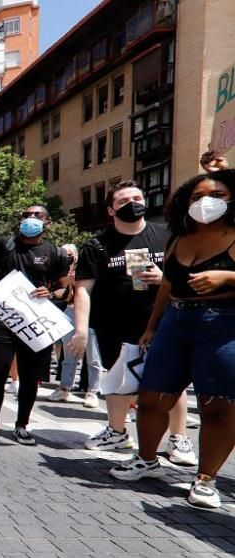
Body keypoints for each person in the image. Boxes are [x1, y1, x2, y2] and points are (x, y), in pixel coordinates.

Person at [110, 170, 235, 509]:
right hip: (174, 323)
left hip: (222, 325)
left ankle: (206, 479)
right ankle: (146, 459)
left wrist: (226, 276)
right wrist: (152, 326)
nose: (206, 202)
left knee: (218, 405)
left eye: (218, 194)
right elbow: (167, 286)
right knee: (152, 397)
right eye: (197, 196)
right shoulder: (178, 238)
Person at [69, 181, 194, 461]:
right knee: (117, 378)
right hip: (113, 324)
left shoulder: (167, 236)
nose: (132, 203)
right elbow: (83, 290)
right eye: (124, 201)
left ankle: (179, 438)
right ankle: (117, 432)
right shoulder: (97, 245)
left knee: (173, 380)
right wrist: (79, 329)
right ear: (112, 210)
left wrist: (163, 279)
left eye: (136, 198)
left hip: (163, 321)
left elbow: (187, 279)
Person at [0, 182, 71, 445]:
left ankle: (22, 426)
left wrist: (51, 294)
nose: (30, 219)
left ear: (48, 223)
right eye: (26, 215)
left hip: (36, 325)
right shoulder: (4, 245)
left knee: (30, 379)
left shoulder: (56, 253)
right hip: (3, 322)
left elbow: (66, 291)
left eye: (37, 215)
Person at [49, 244, 102, 409]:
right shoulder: (64, 271)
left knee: (93, 355)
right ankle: (64, 388)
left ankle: (92, 391)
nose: (68, 257)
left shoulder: (90, 268)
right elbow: (67, 298)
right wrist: (71, 284)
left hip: (90, 312)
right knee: (68, 353)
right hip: (71, 311)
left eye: (71, 255)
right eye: (65, 255)